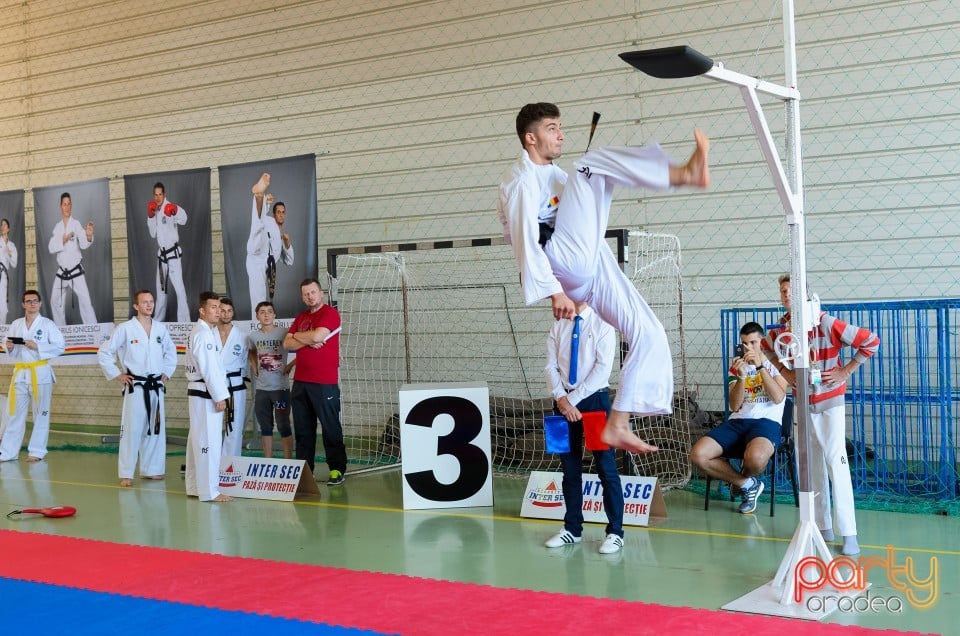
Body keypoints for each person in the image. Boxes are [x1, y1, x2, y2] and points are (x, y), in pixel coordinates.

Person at [497, 102, 709, 454]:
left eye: (561, 126)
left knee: (649, 331)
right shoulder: (520, 181)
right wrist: (555, 292)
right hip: (561, 261)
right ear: (530, 137)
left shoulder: (554, 175)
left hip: (591, 263)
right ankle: (683, 174)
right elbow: (524, 242)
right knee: (589, 165)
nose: (561, 134)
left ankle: (620, 422)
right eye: (553, 128)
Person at [764, 274, 879, 555]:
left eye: (791, 290)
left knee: (835, 463)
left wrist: (846, 370)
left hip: (830, 403)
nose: (787, 295)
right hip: (803, 404)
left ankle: (848, 533)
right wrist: (785, 372)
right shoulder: (783, 330)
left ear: (805, 293)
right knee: (810, 466)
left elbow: (870, 341)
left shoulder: (826, 323)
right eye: (783, 291)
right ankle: (821, 526)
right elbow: (767, 348)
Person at [543, 301, 625, 553]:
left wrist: (572, 402)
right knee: (569, 468)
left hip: (593, 401)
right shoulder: (558, 325)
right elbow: (550, 366)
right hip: (562, 401)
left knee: (606, 467)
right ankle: (572, 528)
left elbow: (602, 369)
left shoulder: (603, 323)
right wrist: (561, 400)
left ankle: (615, 532)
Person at [689, 322, 788, 514]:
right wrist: (741, 377)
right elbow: (734, 405)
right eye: (744, 344)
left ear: (762, 343)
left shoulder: (777, 365)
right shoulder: (737, 367)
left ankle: (742, 481)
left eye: (753, 343)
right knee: (698, 455)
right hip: (738, 421)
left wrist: (760, 367)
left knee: (756, 459)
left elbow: (777, 397)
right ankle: (746, 484)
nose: (748, 348)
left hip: (766, 423)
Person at [97, 289, 177, 486]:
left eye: (151, 301)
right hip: (136, 385)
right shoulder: (125, 328)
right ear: (136, 306)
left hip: (156, 385)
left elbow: (171, 352)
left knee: (155, 428)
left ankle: (152, 469)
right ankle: (126, 473)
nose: (149, 305)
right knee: (132, 430)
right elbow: (105, 352)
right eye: (144, 302)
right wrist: (118, 374)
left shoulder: (160, 329)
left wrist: (167, 371)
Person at [283, 278, 346, 485]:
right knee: (303, 430)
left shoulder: (330, 314)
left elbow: (318, 336)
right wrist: (307, 338)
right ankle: (305, 471)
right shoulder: (301, 316)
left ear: (321, 293)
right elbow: (286, 343)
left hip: (324, 382)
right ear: (302, 297)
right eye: (306, 294)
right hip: (300, 382)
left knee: (330, 427)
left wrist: (300, 337)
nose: (310, 296)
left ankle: (337, 469)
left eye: (313, 292)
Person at [1, 290, 65, 462]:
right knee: (13, 413)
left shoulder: (48, 324)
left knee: (41, 414)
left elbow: (60, 347)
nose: (32, 304)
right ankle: (7, 453)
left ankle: (36, 452)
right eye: (28, 301)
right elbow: (7, 345)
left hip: (40, 373)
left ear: (40, 303)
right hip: (20, 373)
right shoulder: (16, 324)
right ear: (23, 304)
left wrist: (38, 346)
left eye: (35, 301)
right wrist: (9, 347)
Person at [183, 291, 232, 502]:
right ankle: (210, 491)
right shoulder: (203, 334)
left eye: (219, 307)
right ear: (202, 311)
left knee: (197, 440)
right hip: (205, 393)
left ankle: (195, 486)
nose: (218, 311)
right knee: (208, 443)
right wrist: (219, 395)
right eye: (213, 307)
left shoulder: (206, 332)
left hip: (201, 392)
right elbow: (209, 368)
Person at [248, 301, 294, 459]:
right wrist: (254, 366)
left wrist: (290, 365)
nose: (266, 314)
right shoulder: (254, 336)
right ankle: (268, 461)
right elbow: (251, 351)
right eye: (262, 312)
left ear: (274, 315)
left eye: (269, 311)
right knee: (265, 427)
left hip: (280, 390)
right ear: (257, 316)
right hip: (262, 391)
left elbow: (303, 349)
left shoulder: (284, 333)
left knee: (283, 425)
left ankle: (288, 461)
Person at [247, 174, 294, 317]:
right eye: (278, 212)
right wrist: (266, 202)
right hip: (256, 254)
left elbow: (289, 261)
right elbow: (262, 217)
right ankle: (259, 194)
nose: (281, 215)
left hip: (265, 264)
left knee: (260, 297)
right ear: (274, 215)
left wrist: (287, 243)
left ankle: (260, 324)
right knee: (258, 224)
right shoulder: (269, 221)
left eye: (283, 213)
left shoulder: (280, 240)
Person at [47, 192, 97, 325]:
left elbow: (84, 244)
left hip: (75, 271)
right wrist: (62, 240)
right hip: (62, 272)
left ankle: (93, 333)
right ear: (60, 207)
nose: (67, 207)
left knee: (86, 302)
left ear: (71, 206)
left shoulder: (76, 224)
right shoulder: (57, 227)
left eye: (69, 204)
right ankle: (60, 331)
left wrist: (89, 236)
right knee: (55, 301)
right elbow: (51, 247)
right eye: (65, 204)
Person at [148, 182, 190, 323]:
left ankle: (184, 322)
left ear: (164, 195)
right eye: (156, 195)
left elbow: (184, 220)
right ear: (153, 195)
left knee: (179, 289)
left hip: (173, 256)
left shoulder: (170, 206)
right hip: (162, 258)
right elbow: (153, 233)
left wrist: (175, 210)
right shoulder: (154, 210)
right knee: (160, 291)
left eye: (160, 194)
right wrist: (150, 216)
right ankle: (158, 322)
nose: (158, 197)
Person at [217, 297, 249, 458]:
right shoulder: (209, 334)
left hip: (235, 382)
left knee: (234, 423)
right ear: (217, 311)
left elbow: (246, 361)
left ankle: (231, 461)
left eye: (229, 311)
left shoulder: (242, 336)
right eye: (222, 310)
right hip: (214, 382)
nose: (226, 314)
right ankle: (213, 459)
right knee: (213, 423)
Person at [0, 218, 18, 324]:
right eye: (1, 225)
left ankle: (1, 331)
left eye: (5, 225)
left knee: (2, 305)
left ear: (9, 228)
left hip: (2, 275)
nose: (3, 226)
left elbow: (14, 264)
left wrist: (9, 253)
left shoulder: (12, 246)